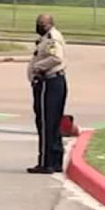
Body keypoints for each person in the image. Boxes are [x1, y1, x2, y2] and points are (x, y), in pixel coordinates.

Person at [27, 13, 68, 174]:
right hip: (53, 82)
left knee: (46, 123)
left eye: (41, 24)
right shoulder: (46, 37)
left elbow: (56, 58)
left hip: (50, 83)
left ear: (48, 24)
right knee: (53, 123)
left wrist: (38, 67)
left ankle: (46, 162)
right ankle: (56, 161)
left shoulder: (52, 38)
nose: (38, 26)